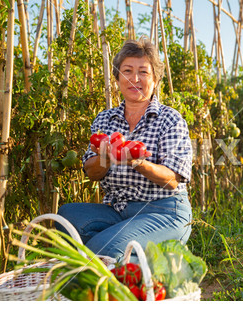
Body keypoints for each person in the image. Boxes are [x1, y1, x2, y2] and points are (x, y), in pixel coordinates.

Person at [56, 38, 193, 262]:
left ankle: (147, 257)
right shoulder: (105, 119)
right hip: (118, 211)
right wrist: (107, 158)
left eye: (143, 72)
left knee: (103, 251)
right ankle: (142, 255)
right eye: (127, 70)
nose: (135, 79)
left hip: (164, 211)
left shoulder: (170, 119)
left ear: (156, 79)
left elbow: (172, 180)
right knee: (67, 218)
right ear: (118, 77)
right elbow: (91, 172)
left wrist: (136, 162)